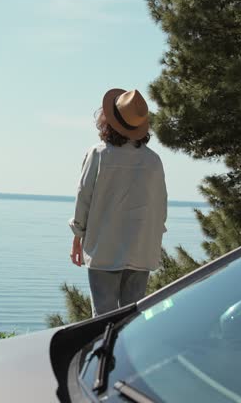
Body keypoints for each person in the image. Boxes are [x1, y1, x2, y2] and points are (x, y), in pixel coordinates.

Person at [68, 88, 168, 317]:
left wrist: (77, 236)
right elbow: (161, 207)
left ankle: (106, 354)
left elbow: (84, 197)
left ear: (109, 121)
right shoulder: (153, 160)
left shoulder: (99, 154)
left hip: (104, 249)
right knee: (132, 319)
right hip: (142, 249)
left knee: (104, 319)